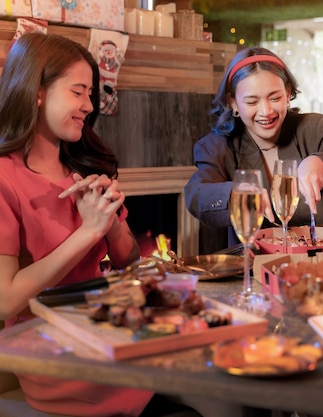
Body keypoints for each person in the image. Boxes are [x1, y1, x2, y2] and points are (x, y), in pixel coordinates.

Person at [0, 32, 213, 417]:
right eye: (78, 91)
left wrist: (110, 221)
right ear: (37, 91)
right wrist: (87, 232)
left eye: (90, 93)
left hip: (109, 333)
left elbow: (130, 260)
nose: (88, 105)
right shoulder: (5, 179)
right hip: (58, 358)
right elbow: (6, 300)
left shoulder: (82, 166)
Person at [184, 47, 323, 253]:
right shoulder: (216, 147)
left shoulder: (315, 128)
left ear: (288, 93)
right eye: (252, 101)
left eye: (275, 98)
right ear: (233, 102)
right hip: (258, 268)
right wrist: (235, 193)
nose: (266, 111)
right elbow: (196, 196)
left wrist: (321, 162)